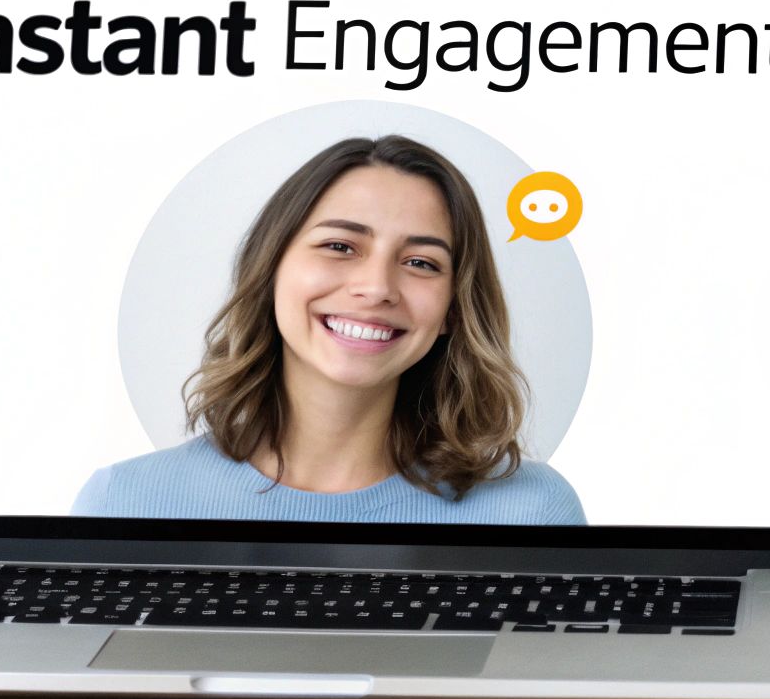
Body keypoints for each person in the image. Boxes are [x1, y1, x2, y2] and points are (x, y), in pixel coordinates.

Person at [73, 135, 585, 525]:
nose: (376, 287)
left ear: (454, 308)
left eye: (421, 262)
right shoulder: (124, 503)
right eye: (340, 246)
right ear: (272, 268)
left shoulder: (532, 513)